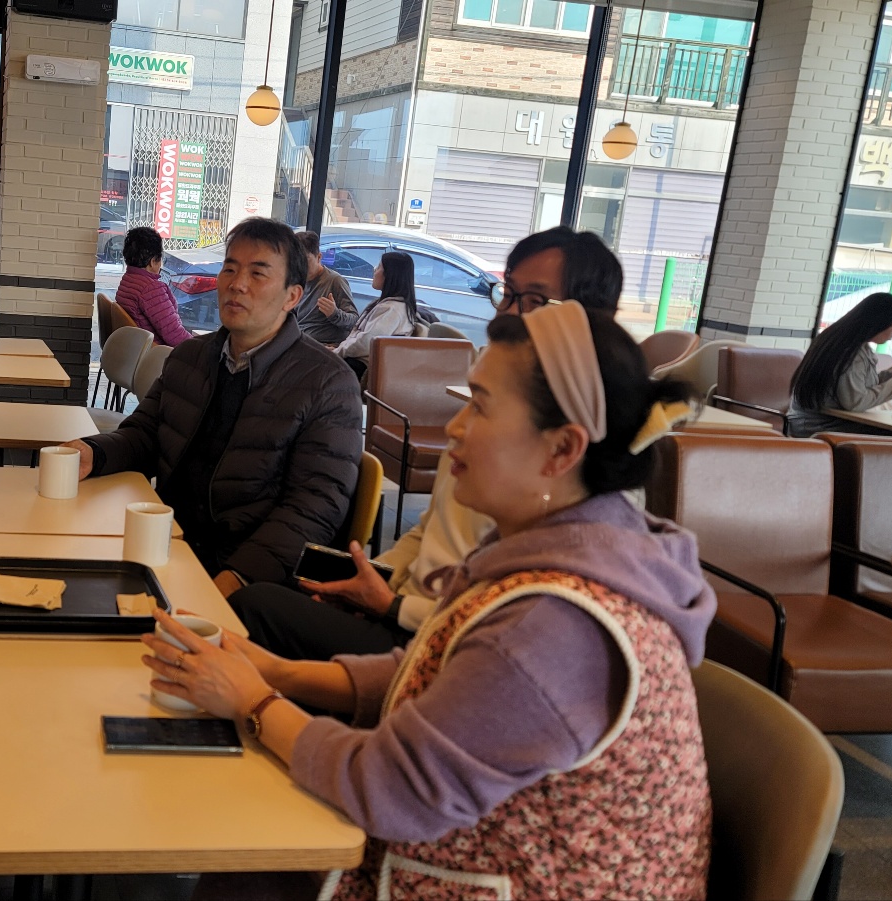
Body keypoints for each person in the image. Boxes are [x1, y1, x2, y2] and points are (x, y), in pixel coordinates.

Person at [143, 303, 713, 899]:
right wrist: (277, 672)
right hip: (485, 851)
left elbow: (389, 790)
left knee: (250, 858)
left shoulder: (555, 625)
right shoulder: (572, 549)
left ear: (561, 450)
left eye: (480, 406)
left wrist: (255, 701)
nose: (456, 426)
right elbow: (438, 672)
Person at [231, 225, 626, 660]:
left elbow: (514, 622)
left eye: (533, 300)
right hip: (401, 608)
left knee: (251, 607)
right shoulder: (487, 427)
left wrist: (394, 606)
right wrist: (377, 581)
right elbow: (430, 530)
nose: (506, 315)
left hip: (441, 643)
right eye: (508, 293)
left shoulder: (588, 464)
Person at [63, 217, 363, 596]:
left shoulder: (328, 383)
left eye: (258, 273)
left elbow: (312, 508)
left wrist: (237, 577)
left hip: (248, 575)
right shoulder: (190, 357)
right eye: (230, 269)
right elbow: (145, 434)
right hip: (167, 542)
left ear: (292, 296)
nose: (237, 284)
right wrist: (93, 453)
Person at [788, 292, 892, 438]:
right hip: (818, 427)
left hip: (815, 423)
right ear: (879, 322)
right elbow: (856, 402)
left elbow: (862, 384)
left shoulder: (844, 341)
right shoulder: (850, 352)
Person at [334, 251, 419, 378]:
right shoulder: (387, 304)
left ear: (390, 275)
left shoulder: (392, 310)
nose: (374, 270)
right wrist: (338, 349)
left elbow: (366, 343)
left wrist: (336, 352)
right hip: (355, 360)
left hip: (361, 367)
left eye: (379, 267)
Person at [115, 226, 193, 346]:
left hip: (134, 348)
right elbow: (174, 334)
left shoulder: (128, 280)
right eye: (160, 259)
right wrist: (201, 348)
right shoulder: (151, 288)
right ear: (152, 261)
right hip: (155, 353)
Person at [294, 231, 357, 346]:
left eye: (306, 260)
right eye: (296, 261)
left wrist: (334, 313)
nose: (300, 266)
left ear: (319, 257)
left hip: (325, 346)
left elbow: (354, 322)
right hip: (300, 342)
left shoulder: (335, 281)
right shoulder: (295, 281)